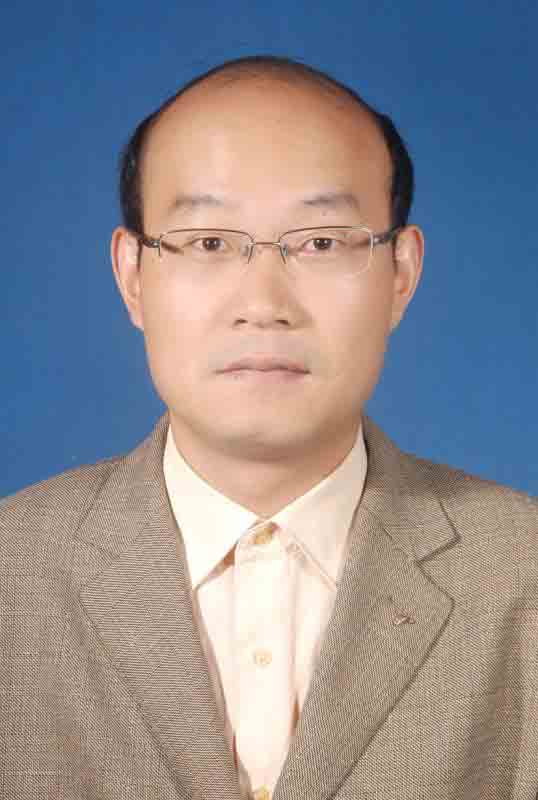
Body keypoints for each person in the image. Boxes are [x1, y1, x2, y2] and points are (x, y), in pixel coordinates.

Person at [1, 54, 536, 800]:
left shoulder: (521, 574)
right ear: (132, 276)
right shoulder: (13, 571)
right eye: (208, 243)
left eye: (322, 242)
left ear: (401, 275)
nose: (263, 304)